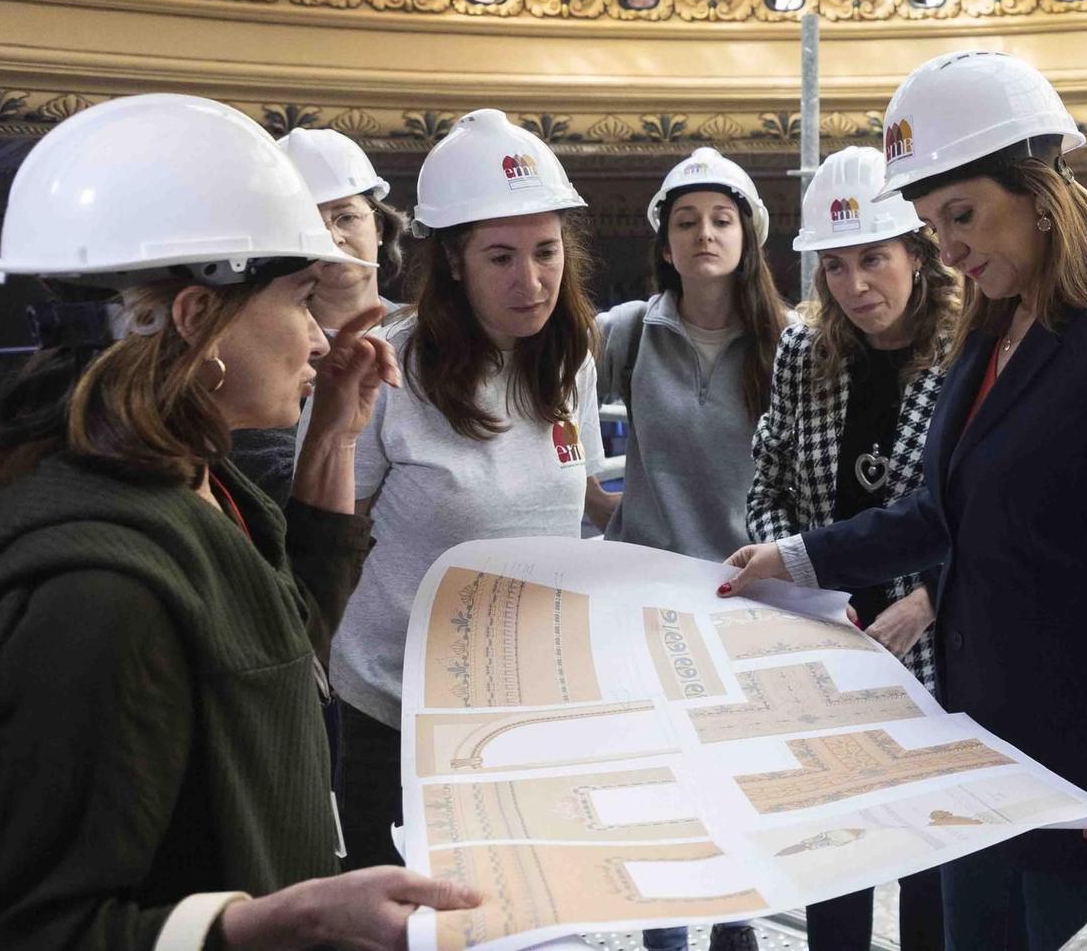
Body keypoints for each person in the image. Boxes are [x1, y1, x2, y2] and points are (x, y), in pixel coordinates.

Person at [720, 52, 1087, 951]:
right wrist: (798, 559)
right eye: (932, 223)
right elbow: (941, 514)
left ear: (1039, 187)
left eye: (961, 215)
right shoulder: (993, 326)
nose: (949, 246)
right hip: (986, 765)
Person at [0, 93, 481, 949]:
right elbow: (18, 926)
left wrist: (335, 439)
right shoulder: (96, 593)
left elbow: (279, 638)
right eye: (301, 298)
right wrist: (274, 921)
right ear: (198, 318)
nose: (318, 338)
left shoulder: (190, 479)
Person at [329, 108, 613, 870]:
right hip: (396, 714)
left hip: (522, 710)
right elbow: (333, 540)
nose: (532, 280)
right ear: (453, 260)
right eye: (500, 257)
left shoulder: (570, 360)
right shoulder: (388, 369)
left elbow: (574, 497)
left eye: (547, 251)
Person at [747, 146, 960, 951]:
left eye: (873, 258)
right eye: (834, 266)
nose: (855, 285)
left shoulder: (969, 352)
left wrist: (931, 597)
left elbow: (988, 513)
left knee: (926, 855)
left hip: (932, 649)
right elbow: (766, 488)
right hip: (823, 646)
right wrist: (803, 587)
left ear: (918, 251)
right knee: (832, 855)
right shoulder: (806, 352)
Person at [599, 147, 788, 951]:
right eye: (687, 221)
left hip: (745, 600)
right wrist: (597, 501)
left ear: (748, 234)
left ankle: (738, 919)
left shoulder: (790, 343)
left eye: (720, 218)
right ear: (664, 242)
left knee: (740, 777)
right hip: (643, 599)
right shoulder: (628, 332)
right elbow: (549, 406)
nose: (705, 233)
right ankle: (664, 933)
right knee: (659, 780)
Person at [232, 127, 407, 508]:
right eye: (312, 225)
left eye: (345, 217)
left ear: (378, 226)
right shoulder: (263, 348)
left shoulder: (430, 331)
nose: (332, 237)